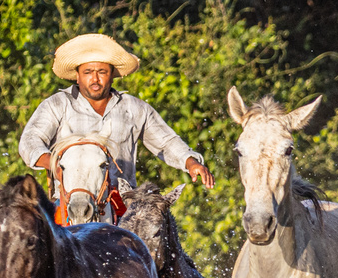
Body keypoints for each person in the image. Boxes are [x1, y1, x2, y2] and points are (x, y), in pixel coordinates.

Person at [18, 33, 215, 192]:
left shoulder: (135, 108)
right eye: (88, 72)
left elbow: (166, 141)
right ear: (77, 76)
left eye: (102, 72)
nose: (95, 79)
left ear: (112, 75)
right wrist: (57, 166)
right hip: (70, 201)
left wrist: (190, 163)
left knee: (157, 223)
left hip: (123, 203)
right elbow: (29, 142)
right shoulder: (57, 105)